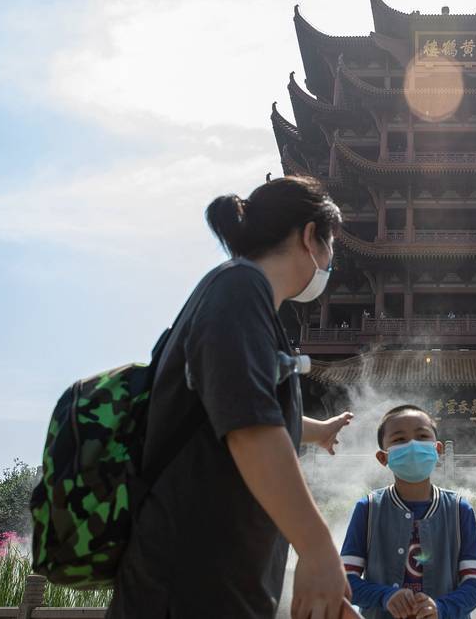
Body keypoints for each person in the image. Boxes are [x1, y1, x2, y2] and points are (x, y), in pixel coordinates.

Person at [109, 175, 354, 619]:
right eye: (331, 243)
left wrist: (315, 431)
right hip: (187, 582)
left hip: (214, 583)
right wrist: (318, 549)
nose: (331, 259)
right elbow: (249, 428)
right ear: (309, 236)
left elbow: (232, 409)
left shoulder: (239, 293)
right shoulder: (240, 288)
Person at [339, 405, 476, 619]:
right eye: (399, 440)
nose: (413, 445)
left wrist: (441, 608)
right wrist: (384, 596)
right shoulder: (368, 509)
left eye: (422, 436)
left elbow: (475, 583)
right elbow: (345, 579)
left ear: (437, 449)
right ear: (383, 458)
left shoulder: (459, 510)